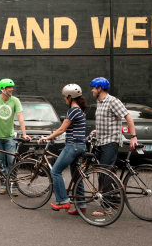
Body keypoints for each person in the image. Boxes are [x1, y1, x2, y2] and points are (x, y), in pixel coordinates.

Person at [90, 77, 138, 216]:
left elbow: (128, 117)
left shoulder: (113, 101)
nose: (92, 90)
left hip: (110, 142)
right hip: (101, 141)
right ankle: (113, 199)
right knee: (104, 174)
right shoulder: (99, 102)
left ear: (99, 88)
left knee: (105, 174)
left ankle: (106, 207)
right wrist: (98, 131)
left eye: (93, 88)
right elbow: (109, 121)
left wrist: (133, 136)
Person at [39, 84, 87, 215]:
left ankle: (62, 201)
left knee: (55, 171)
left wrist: (47, 138)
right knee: (76, 176)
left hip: (73, 145)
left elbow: (61, 129)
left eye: (65, 97)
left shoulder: (73, 110)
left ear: (70, 97)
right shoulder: (81, 110)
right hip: (81, 145)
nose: (64, 99)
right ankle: (81, 205)